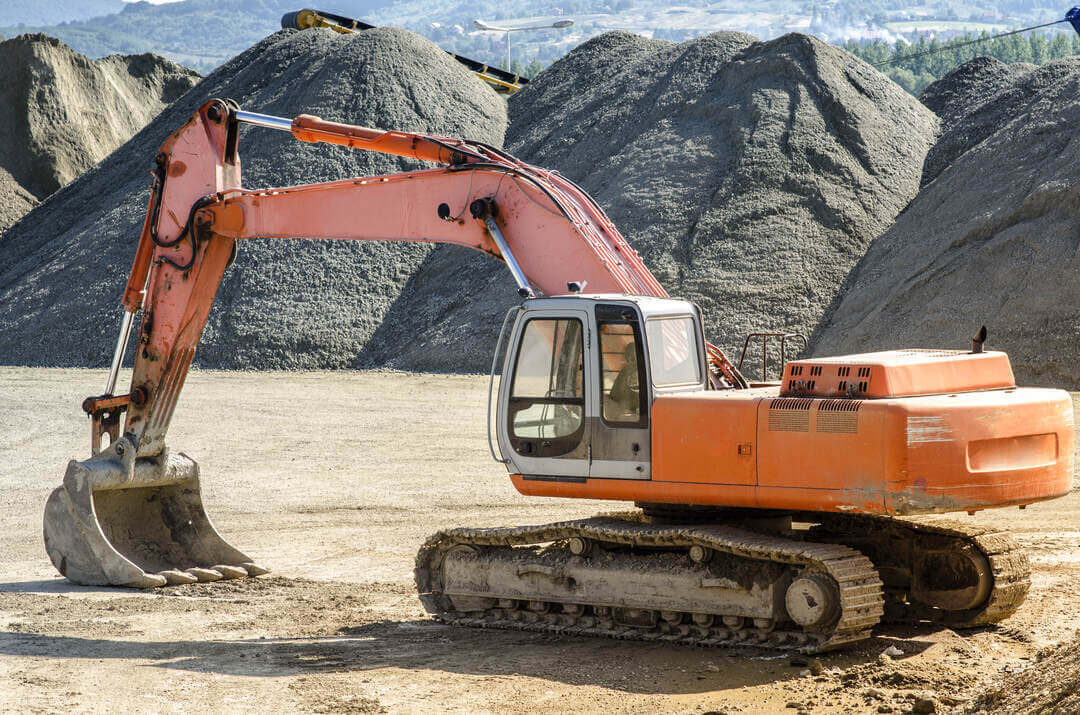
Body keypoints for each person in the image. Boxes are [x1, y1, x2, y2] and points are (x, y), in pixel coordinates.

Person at [609, 341, 640, 417]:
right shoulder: (624, 371)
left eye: (633, 354)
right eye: (628, 354)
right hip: (623, 409)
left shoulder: (644, 371)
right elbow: (614, 394)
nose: (630, 357)